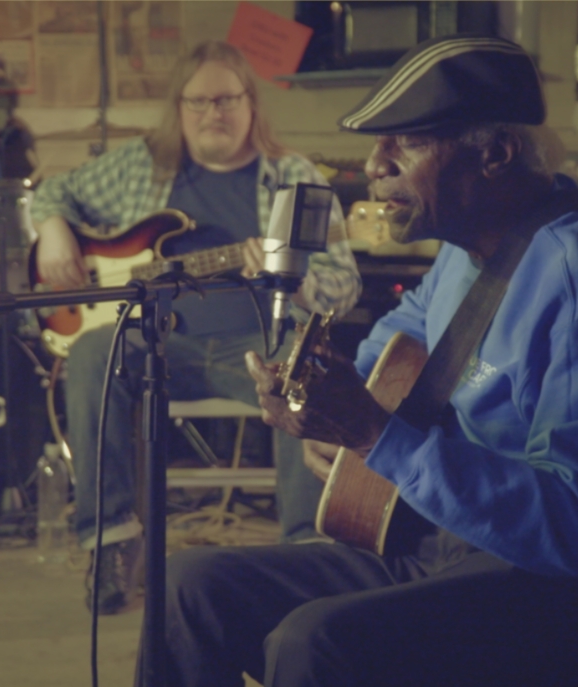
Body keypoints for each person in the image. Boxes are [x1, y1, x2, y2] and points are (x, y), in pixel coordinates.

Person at [157, 35, 578, 687]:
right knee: (189, 588)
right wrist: (323, 395)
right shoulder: (467, 253)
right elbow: (402, 337)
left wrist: (371, 433)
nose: (374, 167)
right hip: (464, 543)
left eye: (407, 145)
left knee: (315, 645)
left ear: (494, 155)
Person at [29, 41, 360, 615]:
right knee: (90, 355)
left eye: (227, 99)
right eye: (200, 100)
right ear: (178, 107)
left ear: (251, 104)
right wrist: (54, 226)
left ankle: (306, 550)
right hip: (160, 346)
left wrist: (293, 277)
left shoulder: (293, 176)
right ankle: (109, 541)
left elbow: (344, 283)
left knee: (304, 361)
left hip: (255, 349)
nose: (214, 113)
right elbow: (55, 190)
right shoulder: (141, 164)